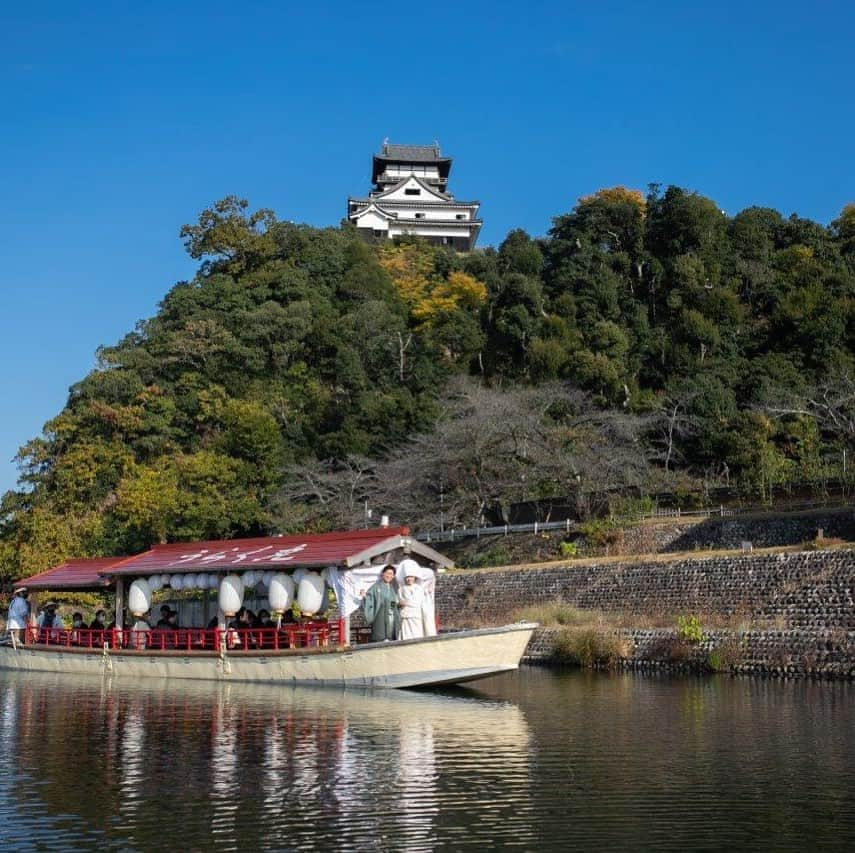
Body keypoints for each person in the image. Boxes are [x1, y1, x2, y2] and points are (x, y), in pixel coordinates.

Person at [362, 565, 400, 642]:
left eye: (391, 574)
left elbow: (393, 601)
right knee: (380, 635)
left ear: (393, 576)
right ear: (383, 574)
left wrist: (393, 608)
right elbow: (370, 598)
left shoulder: (393, 588)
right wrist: (365, 597)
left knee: (391, 634)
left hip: (391, 614)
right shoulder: (376, 586)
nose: (389, 576)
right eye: (387, 573)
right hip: (380, 614)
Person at [398, 568, 426, 641]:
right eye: (407, 577)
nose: (409, 579)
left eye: (411, 577)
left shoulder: (419, 588)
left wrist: (408, 603)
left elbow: (420, 602)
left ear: (414, 578)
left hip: (416, 616)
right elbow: (395, 602)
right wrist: (399, 604)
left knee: (417, 635)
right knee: (405, 636)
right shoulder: (401, 589)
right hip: (405, 616)